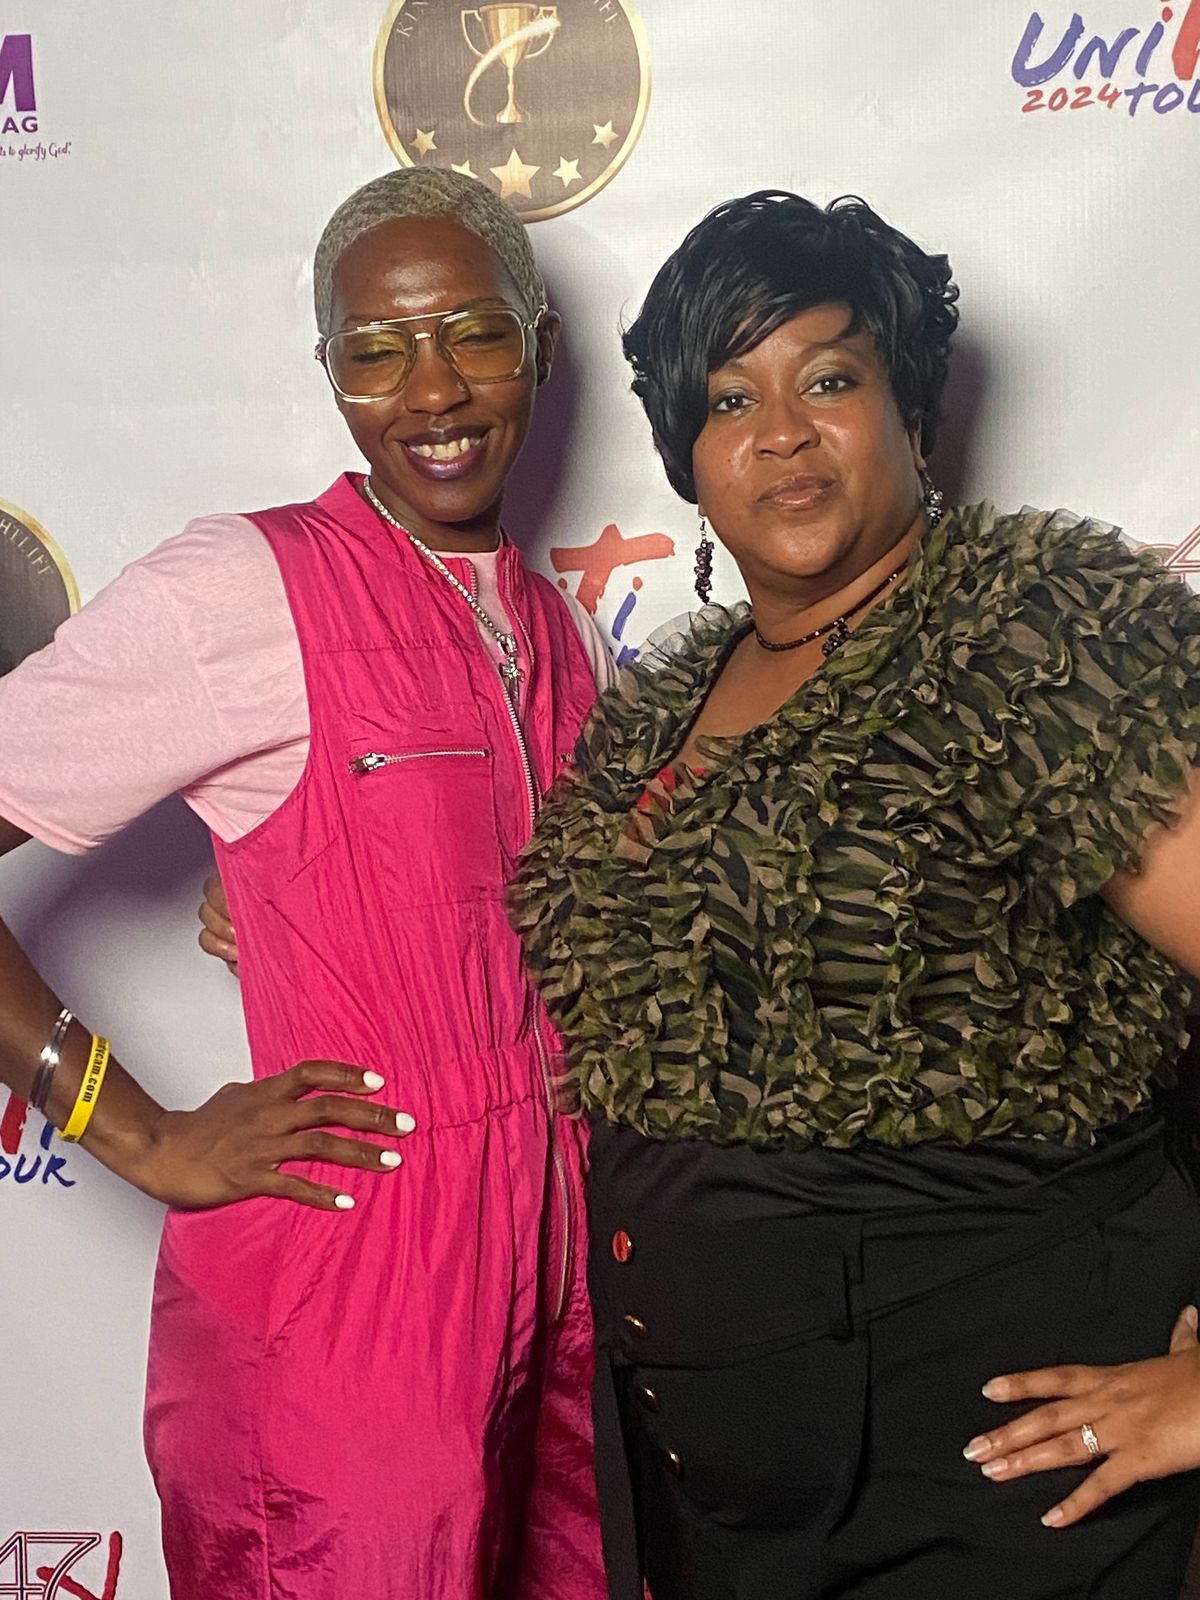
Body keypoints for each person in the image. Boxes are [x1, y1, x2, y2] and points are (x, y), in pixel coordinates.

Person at [508, 191, 1200, 1598]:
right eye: (730, 398)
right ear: (686, 456)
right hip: (717, 1483)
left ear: (910, 414)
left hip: (979, 1471)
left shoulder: (1026, 642)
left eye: (828, 380)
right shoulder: (664, 708)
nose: (781, 433)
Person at [0, 168, 612, 1599]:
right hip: (353, 1283)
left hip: (571, 1268)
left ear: (537, 343)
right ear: (331, 373)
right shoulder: (243, 587)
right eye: (375, 352)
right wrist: (138, 1130)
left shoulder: (563, 632)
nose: (431, 391)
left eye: (473, 334)